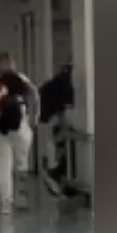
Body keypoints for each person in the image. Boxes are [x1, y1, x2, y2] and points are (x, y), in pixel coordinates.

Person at [0, 53, 39, 215]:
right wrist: (34, 118)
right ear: (12, 64)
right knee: (21, 163)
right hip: (20, 127)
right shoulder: (22, 79)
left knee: (2, 166)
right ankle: (22, 197)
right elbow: (35, 96)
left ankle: (6, 202)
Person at [38, 64, 75, 197]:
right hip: (54, 115)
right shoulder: (66, 84)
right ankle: (57, 175)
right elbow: (65, 106)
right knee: (59, 144)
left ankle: (54, 172)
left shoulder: (51, 84)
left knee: (53, 144)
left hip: (47, 116)